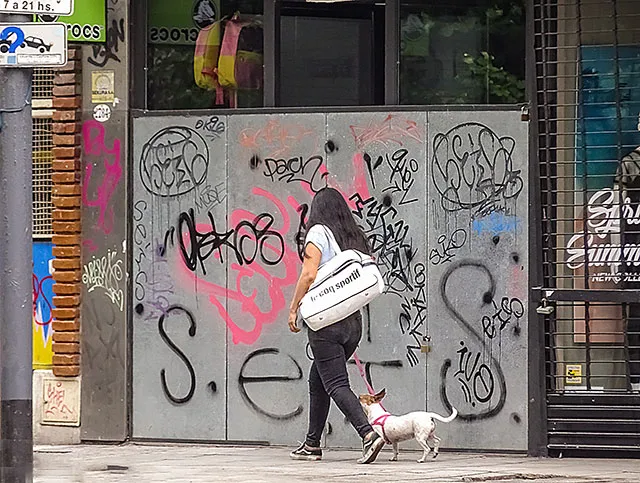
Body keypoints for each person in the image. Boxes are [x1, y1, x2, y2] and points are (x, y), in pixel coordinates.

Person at [287, 187, 385, 464]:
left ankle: (368, 434)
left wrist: (294, 309)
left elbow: (308, 274)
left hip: (326, 321)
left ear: (317, 210)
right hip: (352, 322)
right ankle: (311, 444)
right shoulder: (352, 235)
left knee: (336, 383)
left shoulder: (318, 232)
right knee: (319, 380)